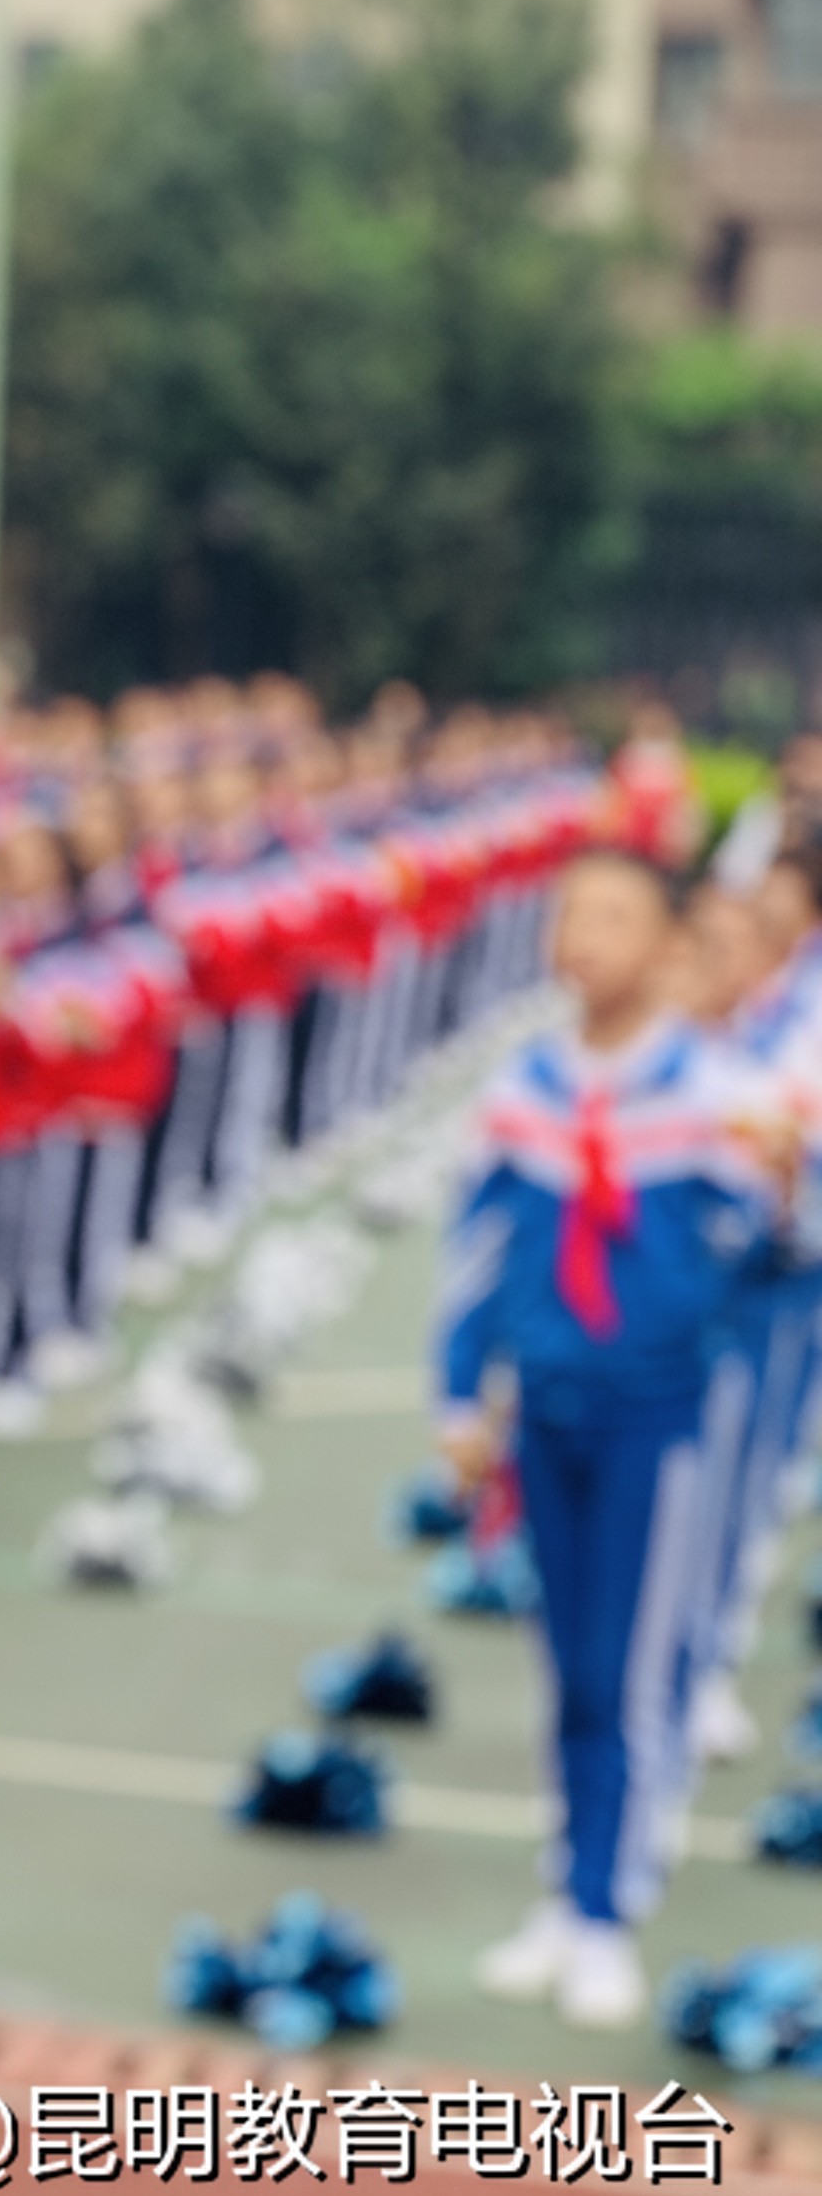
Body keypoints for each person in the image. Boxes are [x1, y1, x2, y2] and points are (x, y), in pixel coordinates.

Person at [439, 850, 786, 2034]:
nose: (586, 934)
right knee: (562, 1665)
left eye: (618, 914)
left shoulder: (714, 1091)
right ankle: (566, 1882)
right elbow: (477, 1251)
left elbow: (770, 1239)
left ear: (666, 946)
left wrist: (783, 1191)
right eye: (573, 912)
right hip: (547, 1408)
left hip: (658, 1415)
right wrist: (457, 1397)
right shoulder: (528, 1083)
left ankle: (605, 1908)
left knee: (628, 1671)